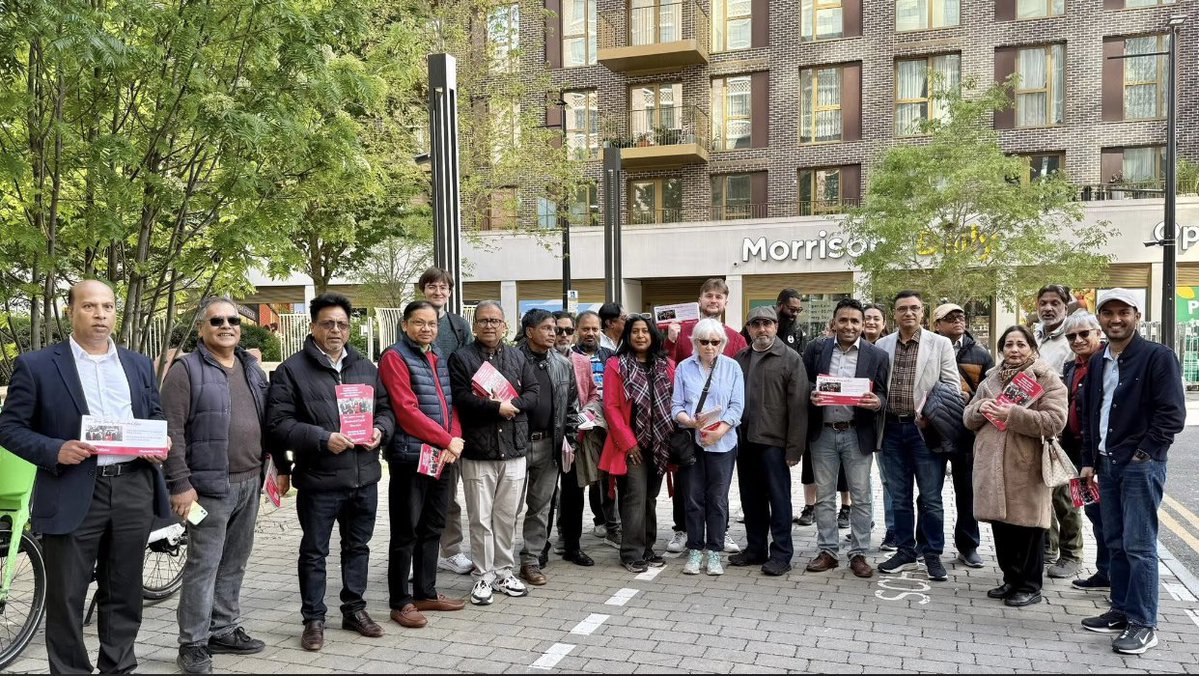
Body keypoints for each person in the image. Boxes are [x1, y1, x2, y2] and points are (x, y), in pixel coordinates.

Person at [0, 280, 172, 674]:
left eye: (108, 307)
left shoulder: (138, 364)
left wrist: (159, 440)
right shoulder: (39, 365)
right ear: (70, 311)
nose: (100, 315)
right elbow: (9, 427)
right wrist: (53, 450)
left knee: (125, 590)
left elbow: (155, 415)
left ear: (116, 312)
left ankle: (119, 665)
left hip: (133, 487)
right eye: (90, 306)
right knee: (66, 596)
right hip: (73, 487)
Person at [266, 293, 395, 651]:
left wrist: (380, 431)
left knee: (359, 547)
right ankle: (313, 619)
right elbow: (277, 424)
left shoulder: (366, 367)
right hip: (320, 480)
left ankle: (354, 610)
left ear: (349, 328)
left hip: (364, 477)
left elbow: (385, 409)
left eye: (342, 324)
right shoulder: (292, 370)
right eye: (328, 323)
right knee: (314, 552)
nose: (335, 330)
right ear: (313, 327)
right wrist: (322, 439)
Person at [161, 297, 272, 673]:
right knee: (203, 566)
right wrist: (179, 484)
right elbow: (171, 430)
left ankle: (223, 628)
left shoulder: (250, 367)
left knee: (235, 562)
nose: (226, 326)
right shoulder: (185, 370)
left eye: (232, 320)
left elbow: (267, 418)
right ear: (201, 328)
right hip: (207, 488)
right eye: (216, 321)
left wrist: (276, 468)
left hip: (250, 481)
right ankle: (192, 643)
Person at [1079, 289, 1185, 655]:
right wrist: (1089, 459)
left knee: (1139, 546)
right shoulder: (1098, 360)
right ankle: (1121, 610)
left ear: (1136, 315)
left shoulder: (1158, 357)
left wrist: (1144, 454)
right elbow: (1093, 411)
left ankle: (1144, 623)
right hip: (1105, 463)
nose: (1115, 319)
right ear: (1101, 319)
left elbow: (1172, 415)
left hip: (1140, 465)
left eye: (1123, 312)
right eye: (1108, 313)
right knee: (1115, 542)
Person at [378, 300, 468, 628]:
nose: (426, 328)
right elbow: (406, 410)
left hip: (442, 457)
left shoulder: (437, 355)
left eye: (431, 323)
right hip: (410, 457)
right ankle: (400, 601)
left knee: (433, 526)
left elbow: (451, 404)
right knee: (406, 531)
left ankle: (425, 591)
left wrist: (453, 442)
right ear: (405, 325)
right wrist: (446, 440)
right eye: (419, 322)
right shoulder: (394, 357)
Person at [963, 325, 1067, 608]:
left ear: (1032, 348)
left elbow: (1055, 421)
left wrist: (1014, 415)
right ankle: (1011, 579)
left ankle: (1030, 585)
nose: (1014, 350)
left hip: (1026, 464)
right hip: (991, 463)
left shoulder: (1047, 379)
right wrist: (980, 407)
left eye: (1021, 344)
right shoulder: (990, 380)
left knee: (1027, 528)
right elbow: (968, 418)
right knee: (1002, 526)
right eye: (1009, 344)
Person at [447, 301, 540, 606]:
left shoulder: (517, 356)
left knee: (506, 516)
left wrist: (514, 405)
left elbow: (533, 392)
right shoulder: (461, 358)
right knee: (480, 517)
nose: (489, 325)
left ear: (504, 326)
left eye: (495, 321)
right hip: (478, 451)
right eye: (483, 320)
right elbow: (459, 397)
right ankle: (483, 575)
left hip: (514, 449)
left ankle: (503, 571)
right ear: (474, 326)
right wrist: (494, 407)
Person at [876, 291, 961, 582]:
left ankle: (933, 553)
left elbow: (951, 386)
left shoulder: (940, 344)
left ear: (923, 312)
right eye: (902, 309)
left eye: (914, 308)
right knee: (899, 497)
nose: (908, 313)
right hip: (891, 430)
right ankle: (904, 550)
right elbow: (877, 386)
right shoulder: (882, 344)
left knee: (931, 498)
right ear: (894, 313)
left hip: (924, 431)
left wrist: (928, 415)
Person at [802, 299, 889, 579]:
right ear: (834, 322)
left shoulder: (876, 356)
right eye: (844, 320)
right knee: (824, 496)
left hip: (857, 432)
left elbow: (885, 393)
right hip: (824, 433)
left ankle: (859, 553)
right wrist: (811, 393)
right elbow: (803, 383)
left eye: (855, 321)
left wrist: (877, 401)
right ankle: (827, 551)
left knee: (862, 496)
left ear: (863, 325)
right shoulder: (816, 348)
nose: (849, 326)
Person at [663, 278, 748, 556]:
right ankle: (683, 530)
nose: (713, 301)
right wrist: (670, 340)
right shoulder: (683, 331)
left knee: (717, 490)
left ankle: (719, 533)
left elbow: (738, 387)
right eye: (708, 296)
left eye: (719, 297)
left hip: (722, 431)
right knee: (687, 486)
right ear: (700, 300)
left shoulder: (736, 338)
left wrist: (722, 427)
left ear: (725, 303)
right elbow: (669, 367)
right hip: (689, 429)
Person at [731, 306, 809, 576]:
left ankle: (781, 554)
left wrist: (794, 448)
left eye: (767, 323)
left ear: (776, 326)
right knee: (750, 499)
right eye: (756, 324)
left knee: (779, 500)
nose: (761, 329)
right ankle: (755, 549)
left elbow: (799, 407)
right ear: (749, 328)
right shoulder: (740, 357)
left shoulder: (790, 359)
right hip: (745, 440)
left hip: (775, 444)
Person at [598, 315, 676, 573]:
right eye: (635, 332)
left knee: (650, 498)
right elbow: (610, 407)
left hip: (659, 443)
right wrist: (629, 443)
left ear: (653, 335)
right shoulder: (616, 365)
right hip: (629, 445)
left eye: (645, 331)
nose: (640, 336)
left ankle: (648, 548)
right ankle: (631, 553)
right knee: (634, 496)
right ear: (627, 337)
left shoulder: (667, 365)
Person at [417, 267, 476, 579]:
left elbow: (469, 365)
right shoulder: (413, 320)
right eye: (432, 286)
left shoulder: (458, 326)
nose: (438, 292)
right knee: (424, 489)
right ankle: (420, 554)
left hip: (457, 420)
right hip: (424, 422)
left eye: (443, 287)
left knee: (449, 490)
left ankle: (450, 551)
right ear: (423, 290)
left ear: (450, 292)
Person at [516, 309, 581, 584]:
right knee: (507, 508)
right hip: (515, 446)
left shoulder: (562, 364)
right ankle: (499, 563)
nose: (554, 333)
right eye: (546, 328)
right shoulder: (511, 359)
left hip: (549, 444)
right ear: (530, 331)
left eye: (555, 328)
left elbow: (572, 407)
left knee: (541, 507)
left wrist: (571, 439)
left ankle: (531, 560)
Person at [932, 302, 994, 569]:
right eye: (949, 317)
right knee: (929, 493)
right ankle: (929, 545)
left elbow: (991, 389)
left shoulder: (980, 353)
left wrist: (973, 400)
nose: (957, 320)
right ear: (937, 324)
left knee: (966, 492)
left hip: (966, 432)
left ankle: (968, 546)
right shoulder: (929, 348)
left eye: (960, 316)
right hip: (933, 431)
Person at [1057, 312, 1109, 591]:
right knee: (1093, 513)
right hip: (1076, 452)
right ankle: (1105, 572)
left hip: (1100, 454)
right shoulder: (1071, 367)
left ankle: (1113, 575)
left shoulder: (1107, 363)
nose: (1077, 340)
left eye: (1083, 334)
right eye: (1071, 336)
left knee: (1107, 516)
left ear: (1097, 333)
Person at [553, 310, 602, 566]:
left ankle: (573, 545)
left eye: (567, 331)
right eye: (557, 330)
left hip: (575, 437)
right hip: (546, 438)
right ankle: (539, 549)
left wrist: (588, 412)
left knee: (574, 493)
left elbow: (594, 393)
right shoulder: (539, 359)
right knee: (546, 498)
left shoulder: (581, 361)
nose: (562, 335)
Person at [574, 310, 621, 548]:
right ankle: (568, 534)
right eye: (585, 328)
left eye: (594, 329)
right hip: (580, 426)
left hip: (608, 425)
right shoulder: (569, 356)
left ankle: (612, 526)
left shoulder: (610, 356)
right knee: (578, 480)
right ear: (577, 330)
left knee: (607, 477)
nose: (590, 333)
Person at [740, 289, 806, 354]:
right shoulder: (757, 324)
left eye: (798, 310)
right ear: (780, 305)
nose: (795, 314)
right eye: (792, 309)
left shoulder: (797, 332)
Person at [1033, 284, 1073, 373]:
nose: (1048, 308)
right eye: (1043, 303)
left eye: (1054, 304)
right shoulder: (1034, 336)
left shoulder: (1073, 339)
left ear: (1066, 309)